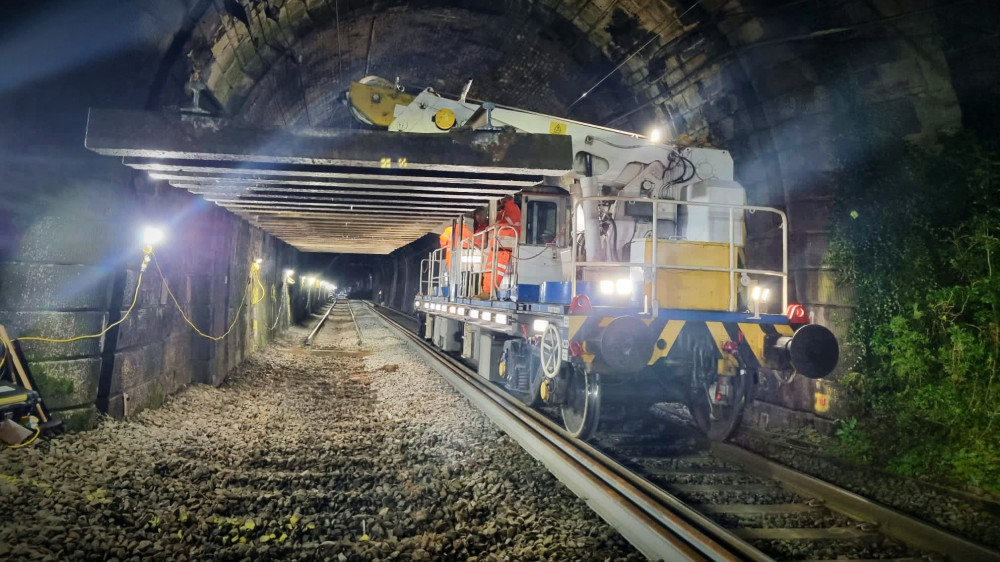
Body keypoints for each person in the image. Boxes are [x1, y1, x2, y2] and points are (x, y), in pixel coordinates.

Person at [481, 195, 521, 296]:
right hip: (497, 245)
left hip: (504, 245)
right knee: (489, 270)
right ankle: (486, 291)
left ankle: (490, 293)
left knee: (497, 271)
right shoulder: (503, 211)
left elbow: (509, 223)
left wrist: (494, 226)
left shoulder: (513, 209)